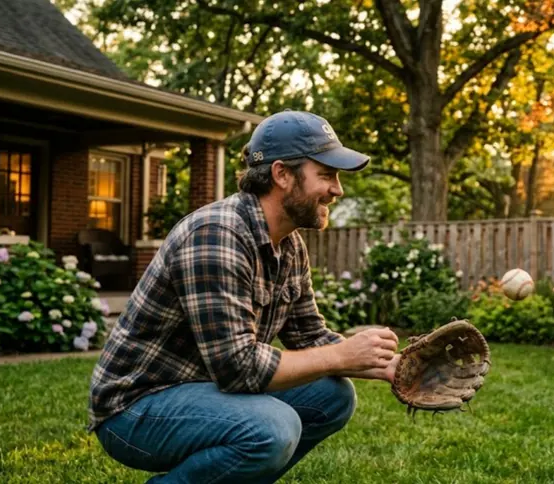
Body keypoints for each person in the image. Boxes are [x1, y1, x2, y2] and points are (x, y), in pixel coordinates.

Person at [87, 110, 400, 483]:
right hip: (136, 408)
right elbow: (239, 368)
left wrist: (392, 368)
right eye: (327, 174)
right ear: (282, 174)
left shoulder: (289, 246)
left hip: (203, 390)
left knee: (332, 397)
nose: (338, 189)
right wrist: (340, 354)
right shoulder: (215, 234)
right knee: (272, 428)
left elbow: (310, 336)